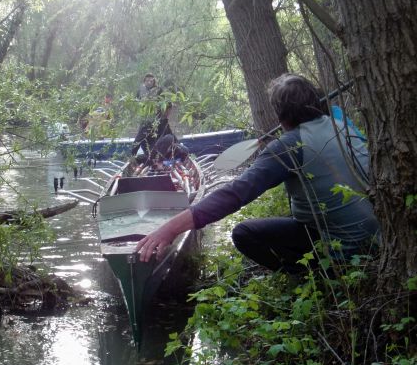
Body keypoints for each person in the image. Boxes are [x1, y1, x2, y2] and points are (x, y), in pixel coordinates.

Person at [136, 73, 380, 273]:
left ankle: (316, 277)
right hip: (378, 236)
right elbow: (329, 115)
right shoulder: (342, 124)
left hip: (344, 247)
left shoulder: (289, 146)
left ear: (280, 115)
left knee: (244, 234)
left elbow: (235, 194)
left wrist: (169, 228)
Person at [131, 73, 174, 160]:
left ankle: (158, 157)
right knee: (140, 139)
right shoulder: (140, 90)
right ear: (144, 81)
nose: (149, 82)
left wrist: (163, 114)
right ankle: (134, 157)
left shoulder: (159, 90)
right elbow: (135, 103)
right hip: (145, 119)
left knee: (162, 138)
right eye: (147, 80)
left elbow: (166, 103)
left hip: (157, 119)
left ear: (154, 81)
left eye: (151, 81)